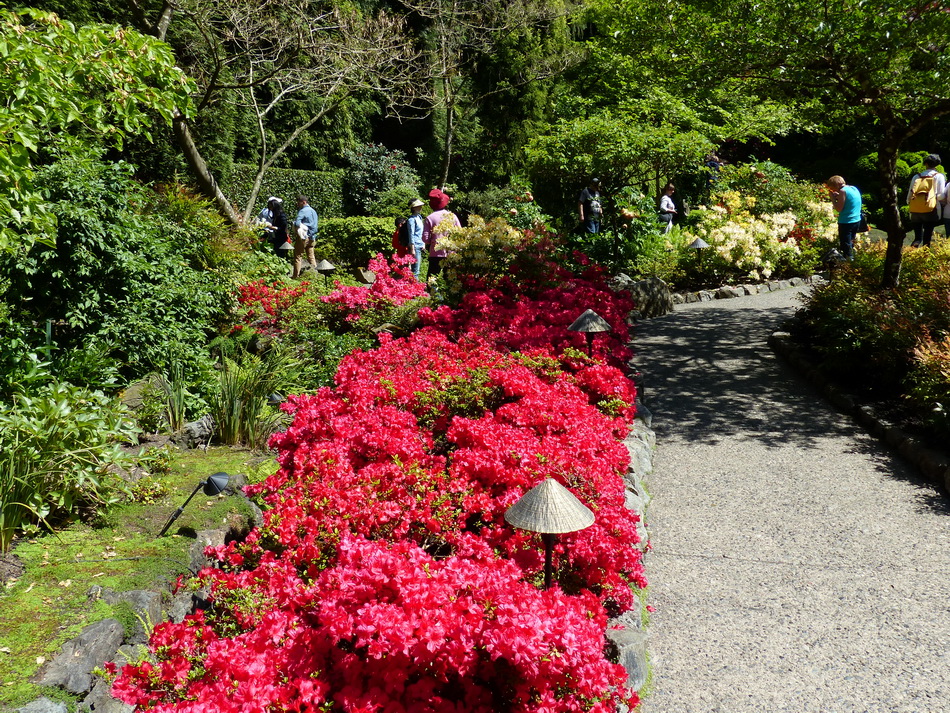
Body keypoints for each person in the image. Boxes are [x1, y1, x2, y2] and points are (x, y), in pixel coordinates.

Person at [906, 154, 945, 248]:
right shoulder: (939, 176)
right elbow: (940, 195)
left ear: (925, 164)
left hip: (915, 209)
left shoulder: (916, 176)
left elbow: (910, 194)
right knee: (927, 237)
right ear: (937, 164)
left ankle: (912, 255)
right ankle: (924, 256)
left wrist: (910, 203)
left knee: (917, 237)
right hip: (930, 209)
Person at [423, 188, 460, 280]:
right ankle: (447, 294)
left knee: (432, 278)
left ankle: (434, 294)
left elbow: (425, 239)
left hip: (435, 253)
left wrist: (433, 240)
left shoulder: (429, 218)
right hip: (451, 252)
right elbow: (459, 233)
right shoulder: (452, 216)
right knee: (450, 278)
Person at [825, 175, 862, 260]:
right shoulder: (853, 188)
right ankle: (853, 261)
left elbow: (838, 209)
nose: (834, 191)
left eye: (833, 188)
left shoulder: (842, 191)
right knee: (850, 242)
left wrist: (833, 199)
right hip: (857, 220)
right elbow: (849, 200)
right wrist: (838, 195)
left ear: (837, 185)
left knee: (845, 245)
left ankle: (849, 264)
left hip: (846, 222)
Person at [292, 194, 318, 278]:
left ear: (303, 202)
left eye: (298, 203)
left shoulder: (302, 211)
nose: (297, 204)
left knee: (298, 256)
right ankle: (315, 275)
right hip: (312, 237)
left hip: (303, 237)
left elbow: (297, 223)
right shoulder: (313, 211)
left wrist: (296, 229)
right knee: (311, 257)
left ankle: (295, 276)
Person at [406, 199, 426, 279]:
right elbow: (411, 234)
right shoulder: (411, 220)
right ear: (413, 208)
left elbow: (421, 232)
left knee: (417, 270)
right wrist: (412, 248)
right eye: (418, 206)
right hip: (415, 246)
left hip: (419, 245)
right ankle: (414, 288)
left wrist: (423, 243)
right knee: (415, 271)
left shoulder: (419, 217)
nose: (420, 207)